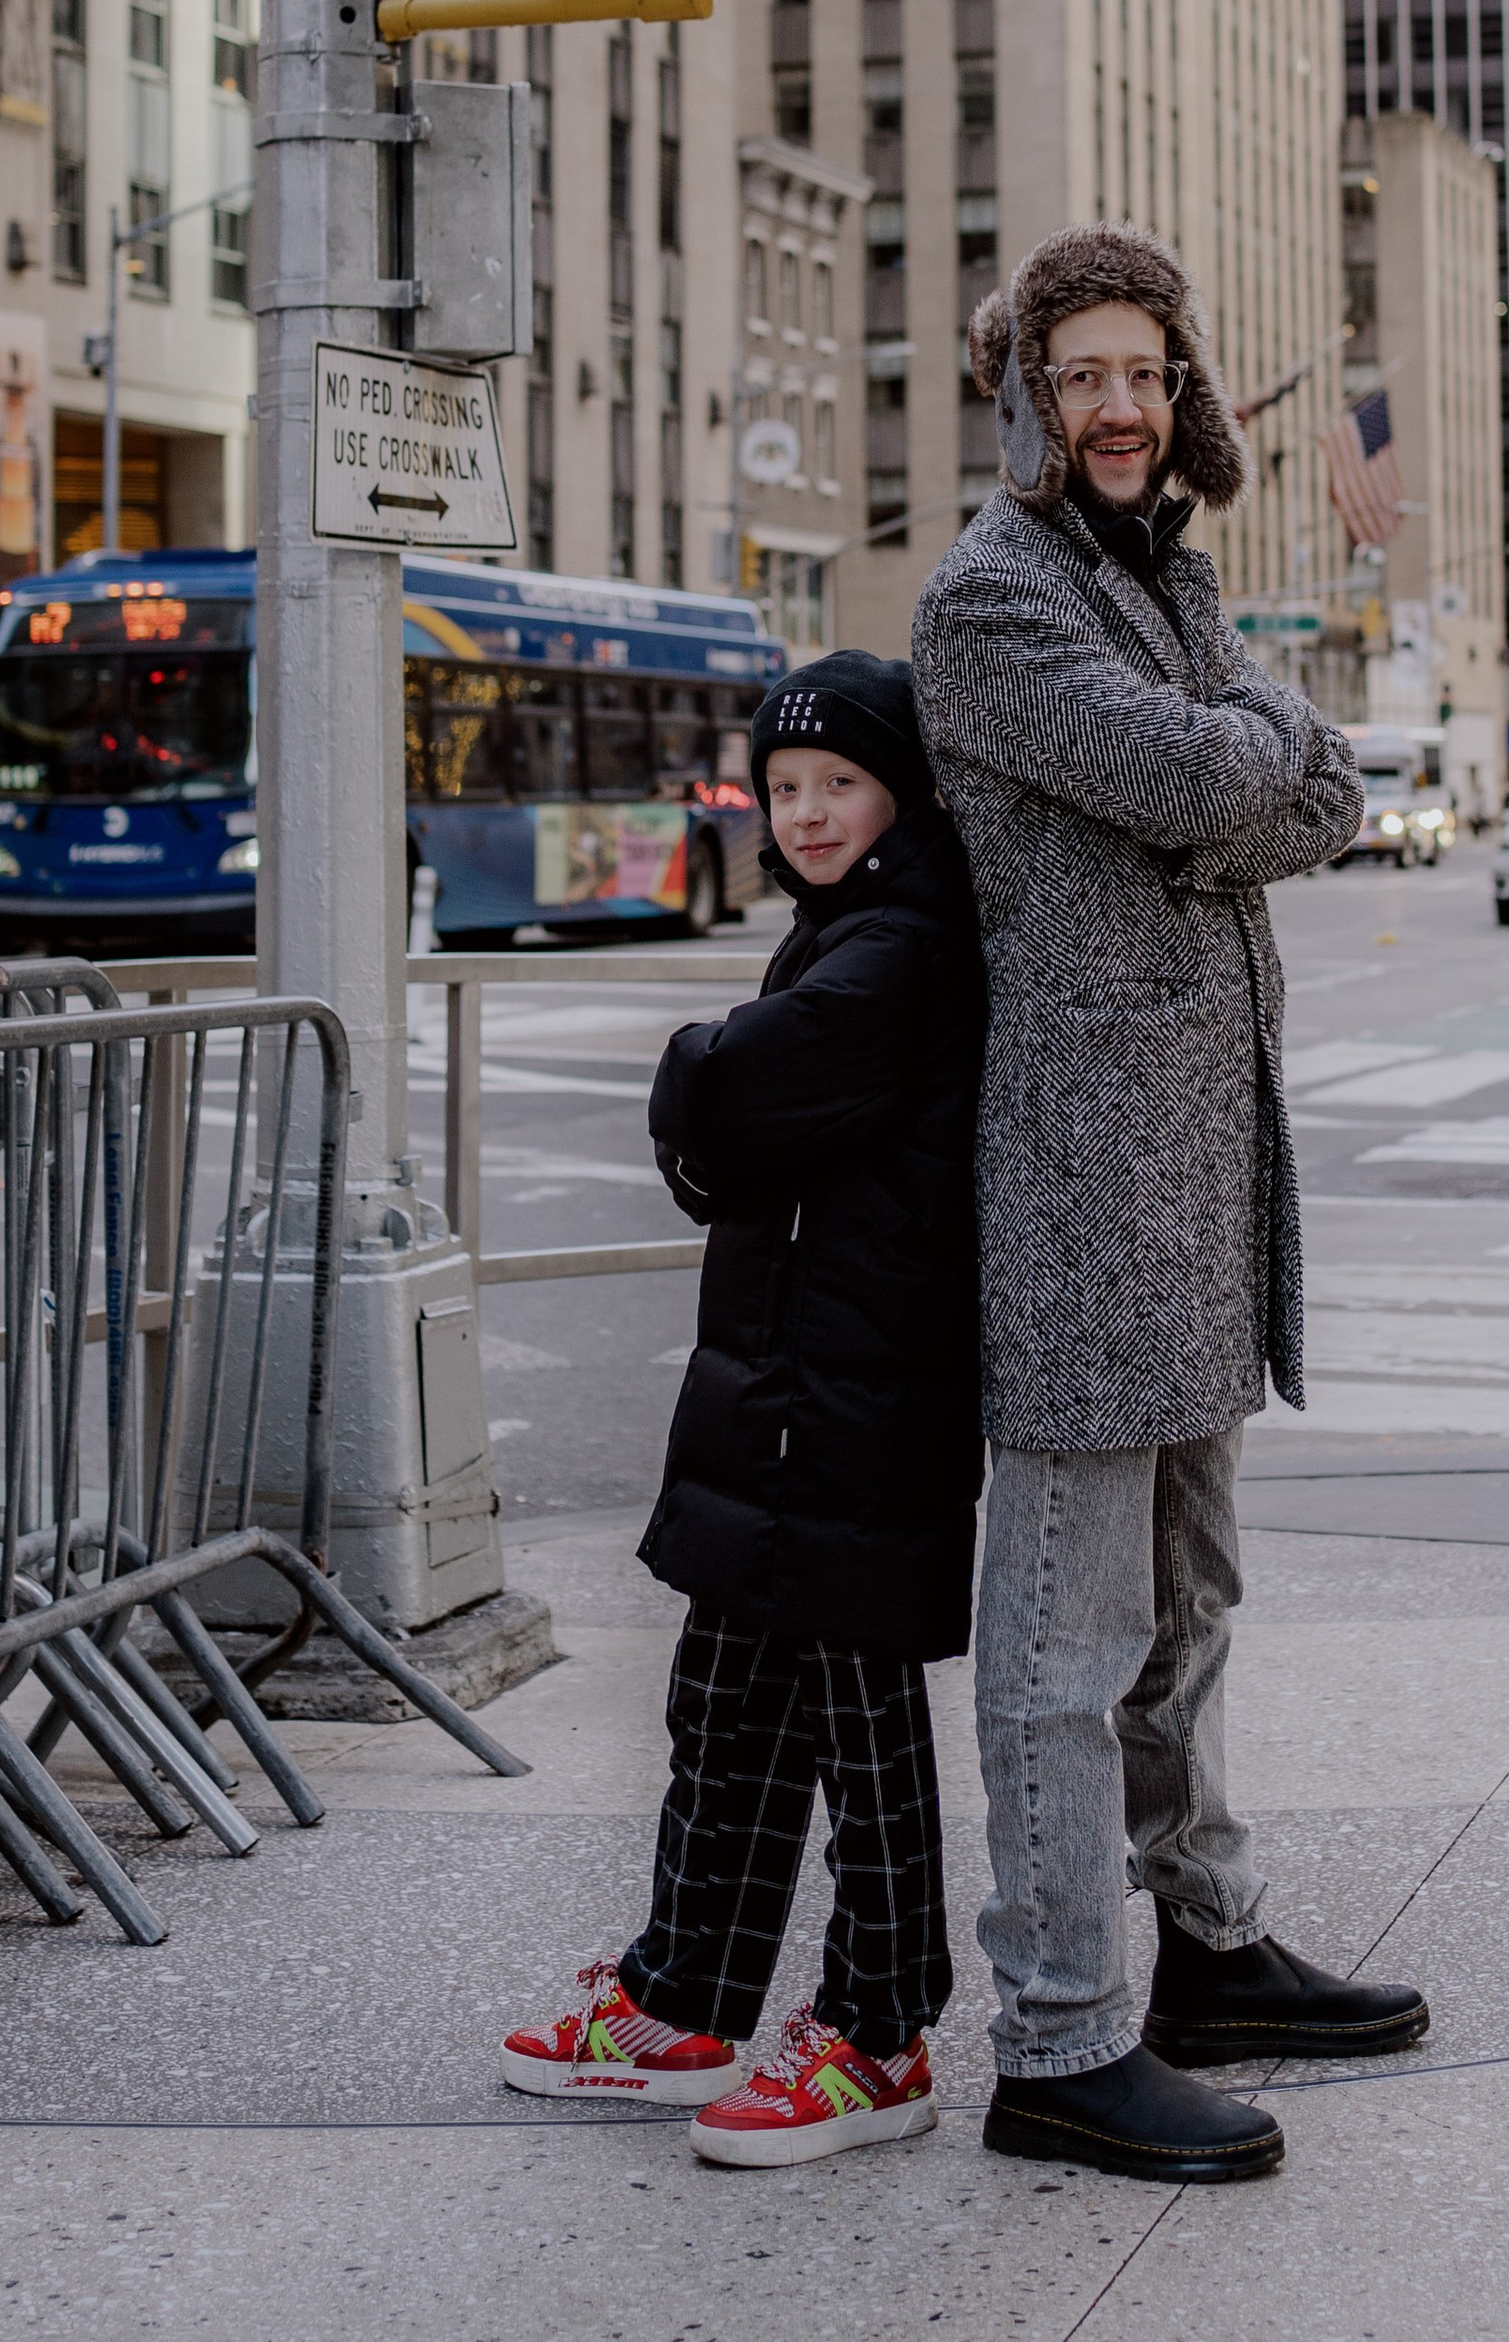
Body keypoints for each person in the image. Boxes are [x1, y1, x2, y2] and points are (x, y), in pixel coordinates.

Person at [910, 223, 1429, 2194]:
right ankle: (1056, 2037)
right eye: (1078, 377)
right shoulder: (995, 603)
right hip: (1075, 1187)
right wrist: (1267, 758)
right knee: (1062, 1639)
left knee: (1187, 1613)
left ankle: (1203, 1949)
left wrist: (1267, 757)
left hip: (1198, 1184)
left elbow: (1317, 790)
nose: (1115, 405)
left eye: (1141, 371)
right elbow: (1206, 776)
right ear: (1027, 400)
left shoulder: (1166, 578)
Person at [500, 654, 988, 2168]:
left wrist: (693, 1084)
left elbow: (718, 1103)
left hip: (851, 1400)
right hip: (786, 1391)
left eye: (842, 781)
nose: (811, 809)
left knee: (861, 1729)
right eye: (784, 789)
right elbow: (741, 1140)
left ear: (898, 791)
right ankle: (684, 1999)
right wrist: (724, 1128)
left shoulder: (899, 944)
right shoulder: (838, 932)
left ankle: (879, 2033)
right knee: (726, 1714)